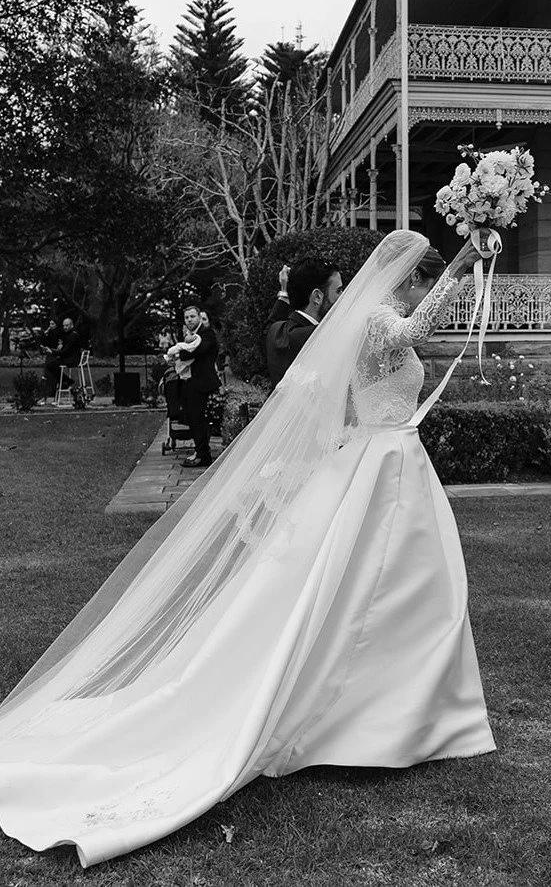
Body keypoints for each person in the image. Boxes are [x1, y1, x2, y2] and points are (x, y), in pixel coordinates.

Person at [0, 230, 493, 867]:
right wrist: (466, 262)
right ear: (408, 277)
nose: (346, 288)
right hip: (383, 462)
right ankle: (384, 715)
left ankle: (410, 709)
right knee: (374, 584)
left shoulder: (373, 317)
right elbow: (414, 333)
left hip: (393, 458)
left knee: (407, 586)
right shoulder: (376, 319)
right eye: (421, 277)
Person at [265, 257, 343, 387]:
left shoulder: (275, 331)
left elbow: (270, 324)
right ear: (317, 296)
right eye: (338, 291)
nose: (344, 297)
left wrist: (284, 292)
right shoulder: (324, 336)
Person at [176, 305, 219, 468]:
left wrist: (182, 352)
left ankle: (203, 456)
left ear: (199, 318)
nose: (189, 320)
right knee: (192, 419)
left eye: (192, 317)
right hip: (190, 382)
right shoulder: (192, 335)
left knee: (197, 419)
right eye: (186, 317)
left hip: (201, 383)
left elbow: (193, 352)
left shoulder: (206, 334)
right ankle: (199, 451)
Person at [42, 317, 83, 401]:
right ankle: (65, 382)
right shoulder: (68, 335)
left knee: (51, 365)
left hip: (72, 359)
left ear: (72, 325)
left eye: (67, 325)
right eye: (64, 326)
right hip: (68, 357)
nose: (65, 327)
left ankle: (65, 381)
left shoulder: (73, 336)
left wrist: (53, 352)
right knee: (51, 364)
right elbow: (64, 350)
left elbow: (65, 351)